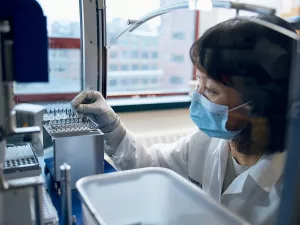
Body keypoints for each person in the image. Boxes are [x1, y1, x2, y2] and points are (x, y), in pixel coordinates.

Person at [71, 15, 296, 225]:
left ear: (258, 103)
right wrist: (111, 126)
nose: (198, 96)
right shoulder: (205, 142)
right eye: (198, 82)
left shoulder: (290, 186)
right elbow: (151, 169)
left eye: (211, 90)